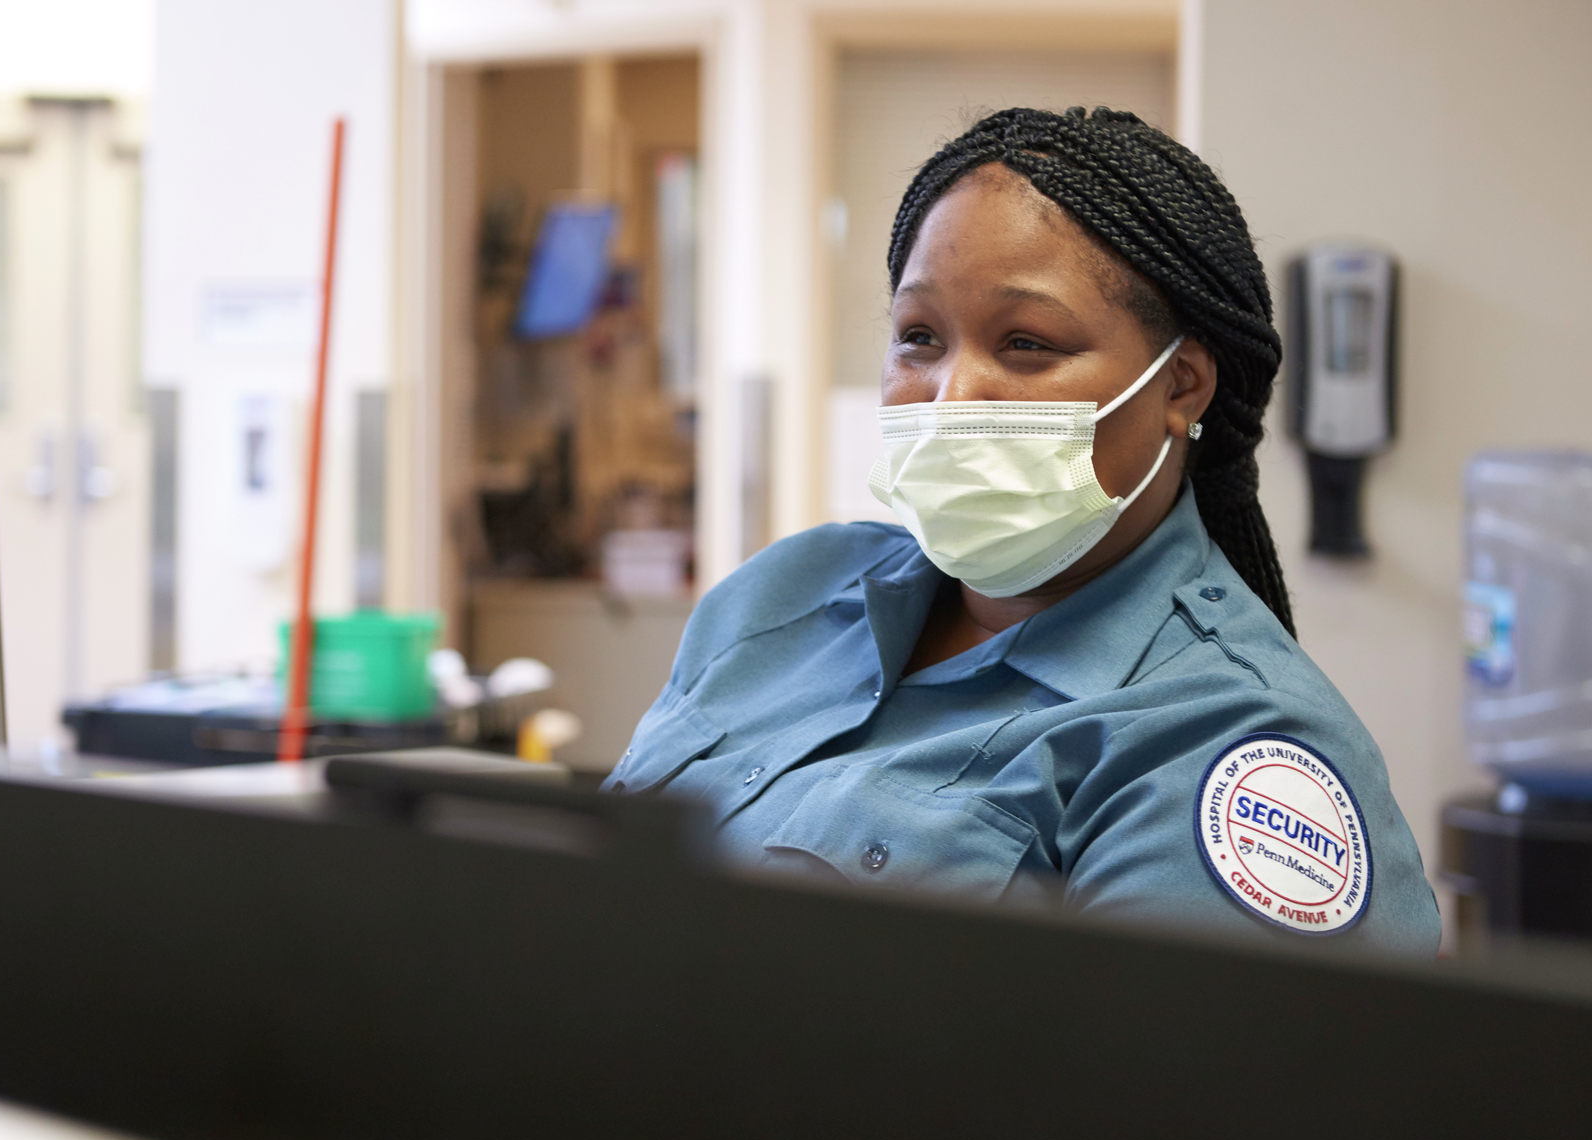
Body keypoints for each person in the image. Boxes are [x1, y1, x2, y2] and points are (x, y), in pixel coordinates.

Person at [603, 107, 1440, 953]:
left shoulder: (1232, 747)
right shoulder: (779, 597)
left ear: (1181, 386)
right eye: (918, 337)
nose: (950, 394)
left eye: (1027, 343)